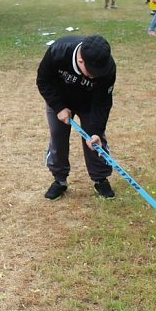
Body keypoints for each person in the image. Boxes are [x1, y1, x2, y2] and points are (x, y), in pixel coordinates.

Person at [36, 35, 117, 200]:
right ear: (80, 61)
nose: (95, 77)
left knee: (95, 140)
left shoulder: (107, 67)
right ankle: (59, 180)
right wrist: (58, 107)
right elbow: (43, 80)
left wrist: (95, 130)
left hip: (89, 104)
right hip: (60, 100)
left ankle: (100, 178)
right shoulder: (58, 52)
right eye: (92, 73)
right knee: (58, 136)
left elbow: (103, 102)